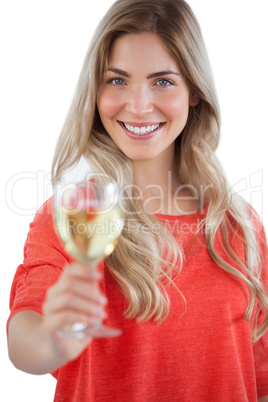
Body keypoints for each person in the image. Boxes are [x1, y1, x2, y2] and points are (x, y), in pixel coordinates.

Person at [7, 0, 268, 400]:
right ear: (95, 91)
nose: (139, 105)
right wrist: (51, 341)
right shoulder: (75, 217)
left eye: (162, 81)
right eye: (117, 80)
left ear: (194, 91)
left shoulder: (239, 225)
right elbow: (25, 342)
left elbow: (259, 376)